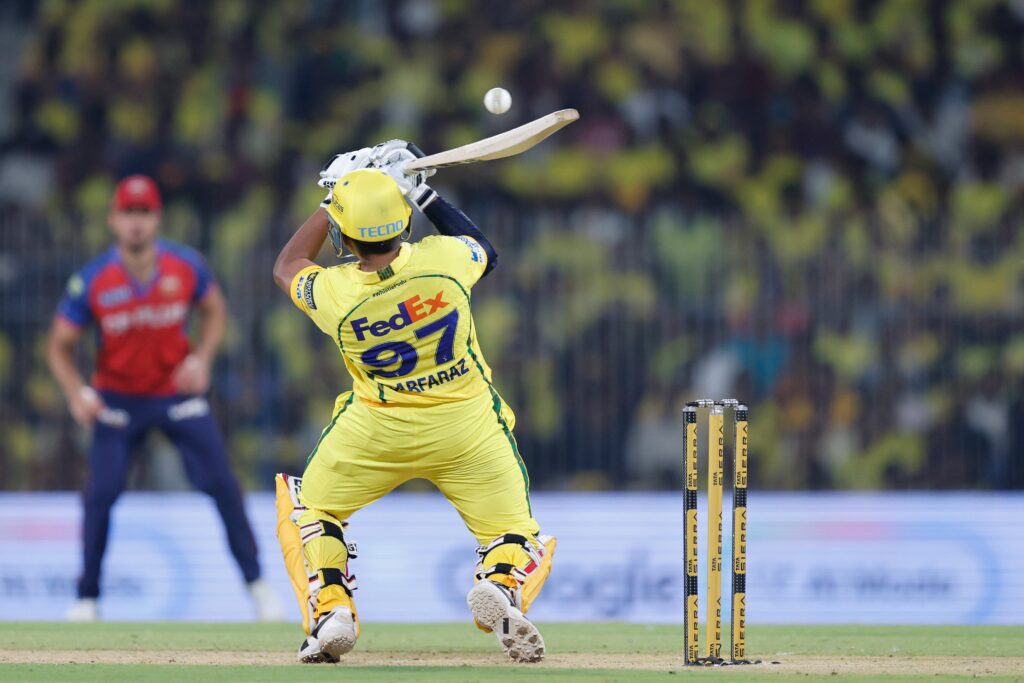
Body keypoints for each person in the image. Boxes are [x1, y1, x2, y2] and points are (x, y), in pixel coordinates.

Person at [271, 142, 556, 663]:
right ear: (403, 222)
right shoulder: (445, 262)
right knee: (514, 532)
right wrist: (421, 193)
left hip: (376, 432)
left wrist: (334, 199)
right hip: (468, 428)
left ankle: (332, 609)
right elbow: (484, 248)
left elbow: (287, 264)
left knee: (311, 509)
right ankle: (500, 583)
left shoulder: (336, 294)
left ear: (345, 235)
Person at [47, 174, 283, 622]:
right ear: (113, 219)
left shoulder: (185, 266)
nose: (136, 223)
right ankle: (87, 598)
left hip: (175, 394)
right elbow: (59, 345)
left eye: (144, 213)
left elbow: (214, 310)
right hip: (117, 399)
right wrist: (77, 393)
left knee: (222, 485)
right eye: (128, 213)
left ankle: (258, 588)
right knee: (101, 493)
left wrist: (202, 359)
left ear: (157, 219)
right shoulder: (92, 279)